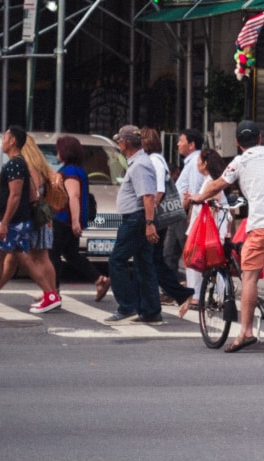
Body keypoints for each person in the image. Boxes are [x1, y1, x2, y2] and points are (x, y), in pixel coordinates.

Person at [194, 120, 264, 351]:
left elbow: (217, 186)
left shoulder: (240, 161)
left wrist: (197, 197)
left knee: (249, 276)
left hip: (262, 227)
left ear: (237, 143)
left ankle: (245, 331)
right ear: (260, 138)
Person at [0, 126, 63, 315]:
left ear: (13, 141)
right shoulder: (18, 163)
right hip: (16, 220)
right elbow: (15, 195)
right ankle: (48, 294)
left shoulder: (16, 164)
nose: (3, 140)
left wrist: (4, 222)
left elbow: (15, 196)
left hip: (14, 221)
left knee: (2, 259)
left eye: (6, 137)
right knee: (19, 258)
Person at [101, 124, 164, 324]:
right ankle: (150, 310)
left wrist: (148, 223)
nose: (118, 143)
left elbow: (147, 196)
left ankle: (127, 305)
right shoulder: (138, 162)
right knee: (144, 264)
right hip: (138, 218)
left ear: (126, 143)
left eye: (120, 140)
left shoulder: (140, 165)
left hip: (137, 219)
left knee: (116, 260)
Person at [140, 128, 193, 306]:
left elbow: (159, 189)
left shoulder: (154, 160)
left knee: (152, 260)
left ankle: (179, 293)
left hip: (155, 218)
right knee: (154, 259)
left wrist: (150, 214)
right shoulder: (156, 159)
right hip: (155, 217)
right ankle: (176, 293)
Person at [176, 146, 228, 322]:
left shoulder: (212, 181)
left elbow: (212, 201)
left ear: (205, 164)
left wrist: (195, 198)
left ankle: (202, 295)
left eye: (199, 161)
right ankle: (210, 295)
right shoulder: (209, 180)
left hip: (208, 230)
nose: (197, 164)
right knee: (203, 262)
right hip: (206, 229)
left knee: (202, 262)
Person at [48, 134, 104, 295]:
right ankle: (99, 279)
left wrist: (74, 222)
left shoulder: (70, 171)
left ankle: (53, 291)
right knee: (71, 253)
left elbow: (74, 196)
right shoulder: (78, 170)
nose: (57, 152)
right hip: (69, 219)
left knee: (53, 254)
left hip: (63, 219)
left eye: (59, 149)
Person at [171, 128, 207, 294]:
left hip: (185, 213)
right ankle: (174, 289)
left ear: (191, 145)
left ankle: (191, 291)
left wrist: (184, 214)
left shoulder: (195, 163)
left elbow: (193, 193)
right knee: (173, 252)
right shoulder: (191, 162)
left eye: (181, 140)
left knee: (189, 253)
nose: (178, 143)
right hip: (181, 212)